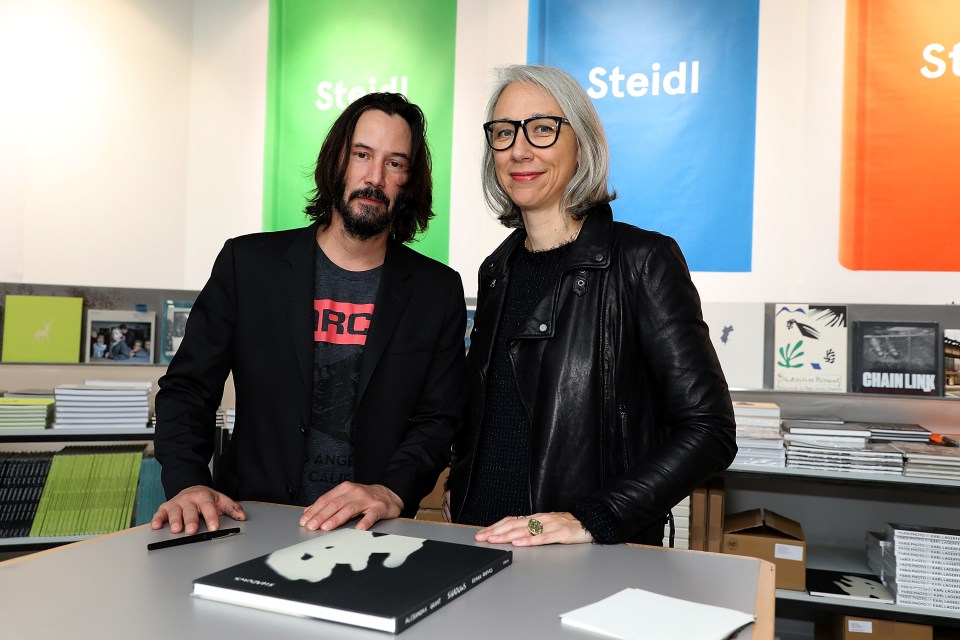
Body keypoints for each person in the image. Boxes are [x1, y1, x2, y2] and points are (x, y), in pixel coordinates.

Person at [445, 65, 737, 546]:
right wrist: (462, 479)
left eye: (542, 129)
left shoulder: (642, 261)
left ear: (581, 143)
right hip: (483, 539)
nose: (519, 150)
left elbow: (708, 431)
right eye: (503, 133)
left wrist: (591, 518)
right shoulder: (495, 270)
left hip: (586, 554)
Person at [152, 92, 467, 536]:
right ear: (336, 160)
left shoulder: (437, 291)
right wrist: (187, 482)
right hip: (251, 519)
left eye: (395, 163)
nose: (374, 177)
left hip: (370, 532)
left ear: (409, 181)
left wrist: (393, 490)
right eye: (362, 155)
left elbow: (439, 420)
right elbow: (187, 389)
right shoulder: (249, 265)